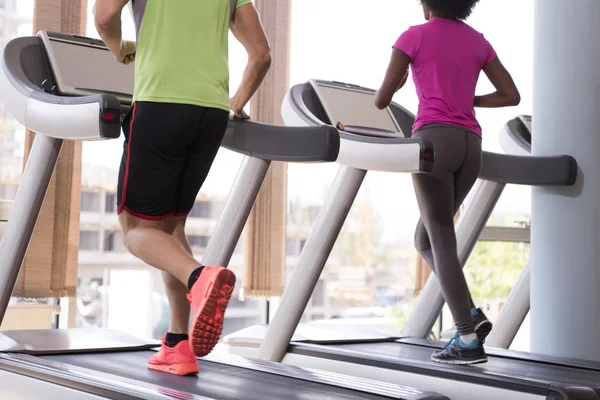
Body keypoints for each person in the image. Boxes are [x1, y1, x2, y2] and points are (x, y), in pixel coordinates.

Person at [94, 0, 271, 376]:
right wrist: (235, 102)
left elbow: (105, 17)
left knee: (136, 229)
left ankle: (199, 277)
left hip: (161, 101)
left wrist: (118, 48)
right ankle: (177, 344)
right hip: (210, 113)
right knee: (170, 229)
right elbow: (261, 54)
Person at [375, 0, 520, 365]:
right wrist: (467, 98)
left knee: (440, 235)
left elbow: (380, 100)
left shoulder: (413, 37)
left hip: (434, 140)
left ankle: (468, 338)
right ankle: (471, 313)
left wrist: (401, 80)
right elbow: (511, 95)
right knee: (425, 237)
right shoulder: (478, 42)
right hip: (472, 145)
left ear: (426, 4)